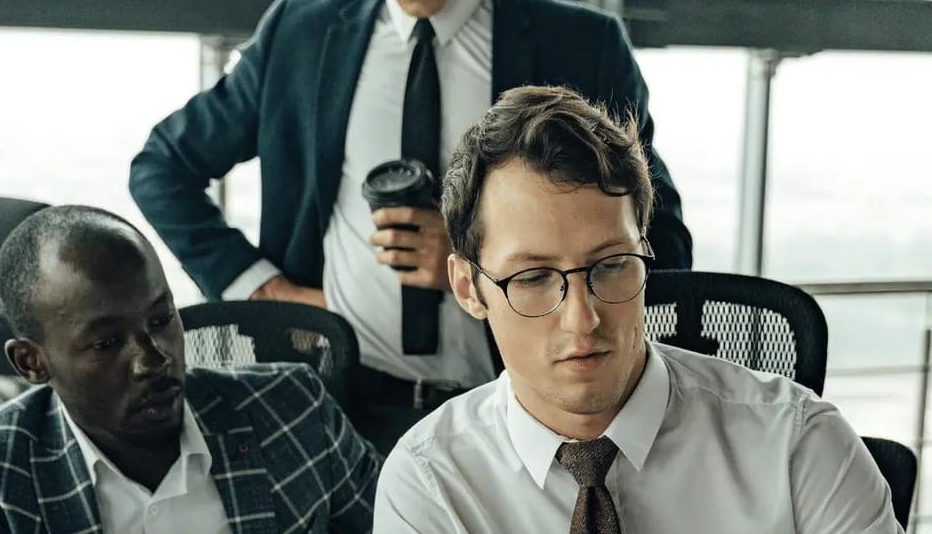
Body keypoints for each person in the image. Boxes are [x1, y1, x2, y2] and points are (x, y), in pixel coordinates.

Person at [129, 0, 691, 427]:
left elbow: (663, 240)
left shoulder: (580, 45)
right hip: (332, 406)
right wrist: (265, 291)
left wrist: (477, 255)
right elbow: (162, 167)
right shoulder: (301, 34)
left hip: (517, 412)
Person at [373, 85, 900, 533]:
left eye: (610, 266)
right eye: (533, 277)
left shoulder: (797, 444)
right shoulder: (432, 481)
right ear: (469, 288)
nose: (583, 319)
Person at [0, 205, 380, 533]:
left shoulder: (293, 406)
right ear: (32, 363)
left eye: (162, 320)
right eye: (107, 343)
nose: (154, 359)